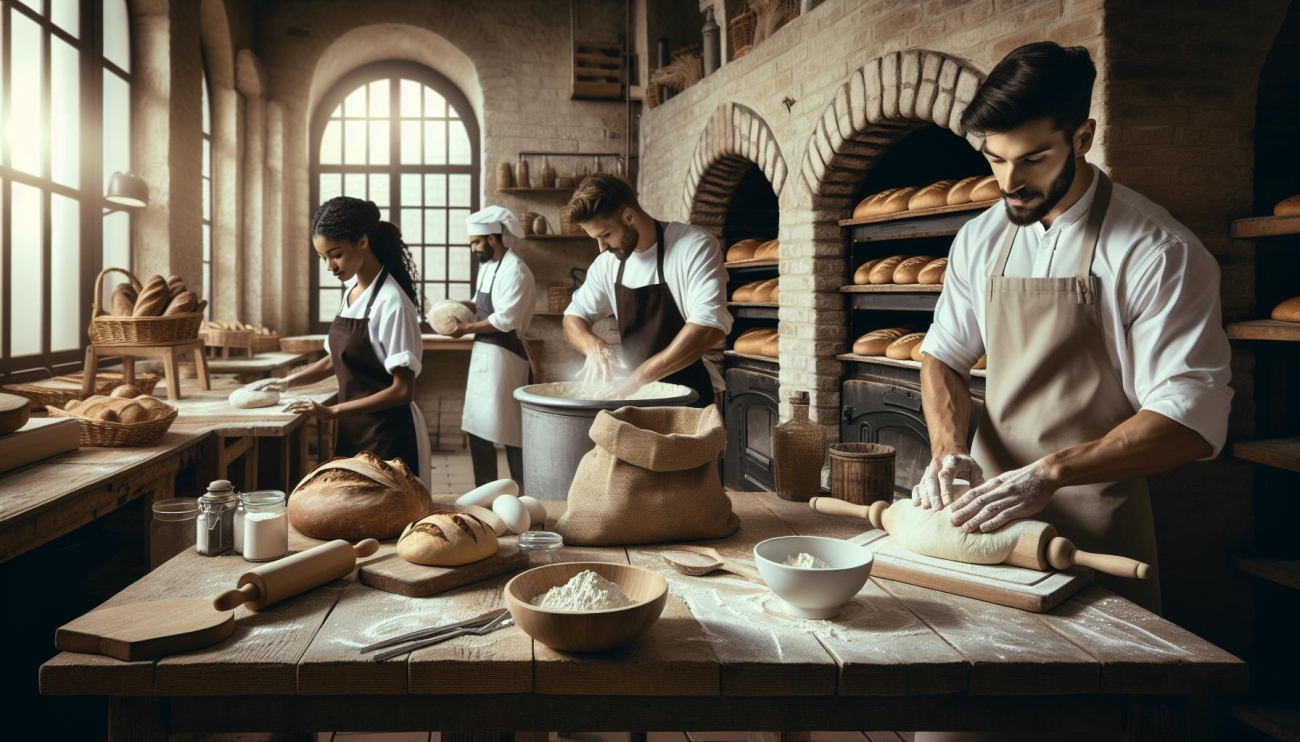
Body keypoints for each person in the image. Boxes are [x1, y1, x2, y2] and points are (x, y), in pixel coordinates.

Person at [914, 42, 1233, 616]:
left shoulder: (1158, 251)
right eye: (994, 158)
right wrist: (946, 452)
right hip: (983, 520)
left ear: (1082, 139)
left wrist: (1051, 472)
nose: (1009, 182)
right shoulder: (980, 237)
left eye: (1033, 159)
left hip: (1095, 533)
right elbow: (943, 356)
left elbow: (1191, 416)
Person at [249, 197, 431, 489]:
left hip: (390, 438)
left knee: (391, 524)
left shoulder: (393, 303)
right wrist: (287, 382)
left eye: (335, 255)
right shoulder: (352, 293)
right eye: (322, 257)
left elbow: (403, 390)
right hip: (354, 431)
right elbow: (337, 358)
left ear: (362, 241)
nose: (329, 267)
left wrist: (332, 411)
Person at [561, 173, 731, 405]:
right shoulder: (607, 264)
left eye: (606, 235)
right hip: (634, 398)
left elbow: (708, 328)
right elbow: (573, 317)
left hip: (687, 399)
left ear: (628, 216)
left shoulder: (695, 247)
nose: (601, 248)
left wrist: (636, 380)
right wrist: (594, 346)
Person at [447, 206, 537, 487]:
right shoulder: (487, 268)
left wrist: (464, 329)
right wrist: (454, 306)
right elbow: (479, 303)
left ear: (492, 239)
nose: (473, 248)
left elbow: (504, 320)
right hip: (483, 355)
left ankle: (523, 489)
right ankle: (484, 492)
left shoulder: (516, 271)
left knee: (512, 432)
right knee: (477, 429)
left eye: (475, 242)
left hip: (505, 356)